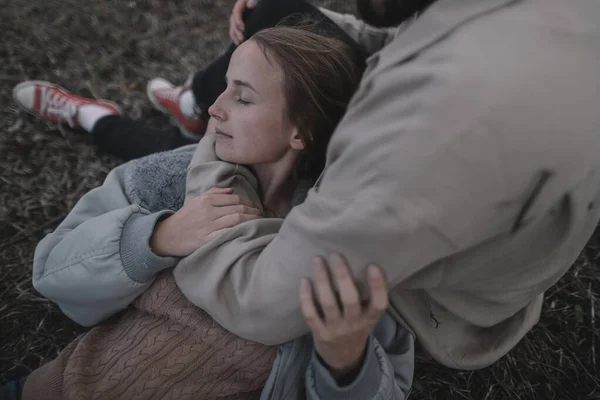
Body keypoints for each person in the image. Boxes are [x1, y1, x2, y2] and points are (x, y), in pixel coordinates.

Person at [9, 26, 414, 400]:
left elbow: (387, 386)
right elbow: (51, 274)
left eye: (242, 96)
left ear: (301, 130)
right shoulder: (166, 178)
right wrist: (155, 237)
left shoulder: (333, 242)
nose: (214, 109)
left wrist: (345, 364)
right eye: (223, 89)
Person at [12, 0, 368, 161]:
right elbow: (389, 38)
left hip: (357, 148)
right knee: (276, 7)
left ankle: (94, 118)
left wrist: (155, 240)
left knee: (193, 159)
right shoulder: (418, 35)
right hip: (372, 90)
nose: (221, 105)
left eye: (241, 97)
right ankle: (190, 104)